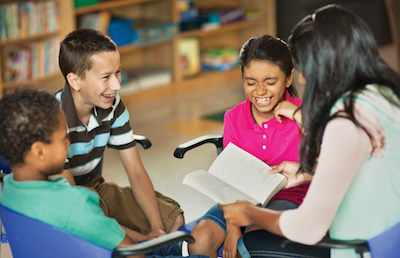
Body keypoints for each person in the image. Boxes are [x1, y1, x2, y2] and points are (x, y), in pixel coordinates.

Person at [219, 4, 400, 258]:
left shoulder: (346, 119)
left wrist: (249, 213)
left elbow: (308, 227)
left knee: (250, 244)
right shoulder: (382, 95)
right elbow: (368, 169)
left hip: (363, 250)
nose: (302, 80)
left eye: (304, 69)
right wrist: (307, 172)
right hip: (392, 241)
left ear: (326, 66)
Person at [0, 87, 207, 258]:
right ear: (40, 151)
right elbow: (133, 252)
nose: (68, 143)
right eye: (63, 138)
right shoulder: (74, 203)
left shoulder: (7, 190)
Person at [54, 28, 183, 241]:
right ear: (75, 81)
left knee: (173, 219)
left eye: (118, 72)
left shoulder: (113, 105)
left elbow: (136, 172)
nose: (117, 85)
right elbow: (73, 199)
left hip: (92, 186)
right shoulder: (53, 117)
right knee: (110, 229)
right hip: (64, 200)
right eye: (106, 77)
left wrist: (157, 228)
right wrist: (145, 241)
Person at [189, 35, 312, 258]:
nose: (260, 91)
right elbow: (230, 180)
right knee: (200, 241)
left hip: (289, 199)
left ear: (288, 78)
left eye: (270, 82)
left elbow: (331, 156)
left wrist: (298, 116)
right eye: (251, 82)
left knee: (251, 244)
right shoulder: (233, 117)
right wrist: (233, 227)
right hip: (238, 198)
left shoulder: (305, 114)